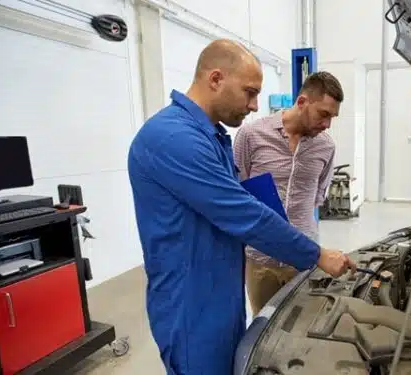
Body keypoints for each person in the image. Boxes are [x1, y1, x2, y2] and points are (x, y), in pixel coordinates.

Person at [126, 39, 356, 375]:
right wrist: (318, 255)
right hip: (192, 304)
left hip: (222, 291)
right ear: (216, 79)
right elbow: (243, 212)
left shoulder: (211, 136)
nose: (254, 105)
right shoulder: (173, 138)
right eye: (249, 92)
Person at [233, 71, 343, 316]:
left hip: (304, 257)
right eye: (323, 114)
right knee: (263, 326)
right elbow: (238, 191)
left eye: (332, 117)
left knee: (302, 325)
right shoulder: (251, 135)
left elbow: (318, 196)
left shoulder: (326, 147)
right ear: (302, 102)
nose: (327, 125)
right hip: (260, 257)